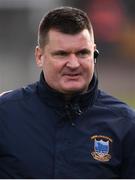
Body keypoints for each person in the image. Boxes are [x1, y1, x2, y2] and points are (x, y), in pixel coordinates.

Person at [0, 6, 135, 179]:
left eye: (82, 53)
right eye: (62, 54)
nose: (73, 64)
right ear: (39, 56)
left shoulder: (125, 125)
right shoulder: (6, 114)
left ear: (94, 53)